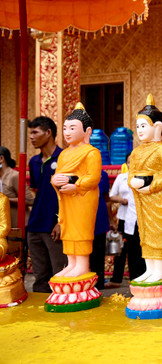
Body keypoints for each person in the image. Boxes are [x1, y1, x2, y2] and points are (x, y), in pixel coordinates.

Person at [128, 95, 162, 283]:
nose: (140, 130)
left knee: (159, 233)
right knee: (145, 234)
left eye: (144, 125)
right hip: (142, 199)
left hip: (160, 198)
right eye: (138, 126)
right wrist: (133, 183)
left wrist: (151, 185)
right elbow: (131, 174)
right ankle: (150, 269)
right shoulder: (136, 151)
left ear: (157, 127)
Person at [52, 103, 102, 278]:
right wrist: (55, 180)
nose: (67, 132)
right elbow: (57, 174)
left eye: (73, 128)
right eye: (65, 128)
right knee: (68, 229)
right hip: (67, 198)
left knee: (80, 229)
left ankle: (82, 263)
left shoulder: (92, 152)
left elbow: (94, 177)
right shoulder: (63, 154)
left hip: (83, 198)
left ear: (87, 132)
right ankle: (71, 262)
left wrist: (76, 185)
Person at [26, 117, 66, 292]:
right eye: (30, 133)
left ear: (48, 133)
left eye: (35, 132)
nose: (31, 137)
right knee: (40, 277)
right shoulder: (33, 162)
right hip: (34, 225)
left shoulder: (65, 158)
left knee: (59, 274)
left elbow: (70, 195)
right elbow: (36, 191)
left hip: (54, 227)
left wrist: (61, 221)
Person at [108, 163, 145, 286]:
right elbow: (111, 196)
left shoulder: (143, 177)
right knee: (122, 249)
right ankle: (116, 279)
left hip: (139, 218)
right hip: (124, 217)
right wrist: (121, 200)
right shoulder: (121, 178)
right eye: (129, 161)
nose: (131, 164)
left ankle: (138, 278)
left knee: (137, 249)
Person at [0, 145, 35, 223]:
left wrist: (6, 199)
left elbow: (30, 200)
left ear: (1, 159)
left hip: (18, 226)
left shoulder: (14, 176)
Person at [89, 170, 111, 290]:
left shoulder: (103, 175)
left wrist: (111, 220)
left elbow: (106, 198)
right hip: (83, 220)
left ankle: (99, 283)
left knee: (98, 253)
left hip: (100, 219)